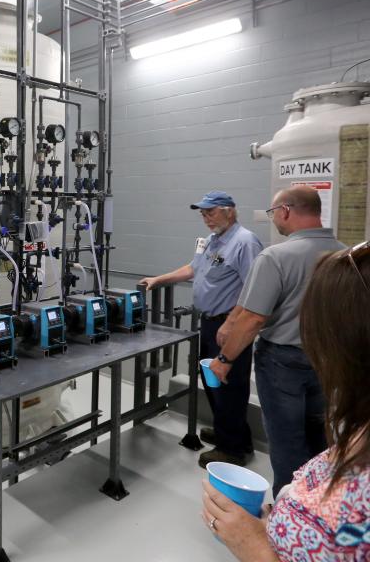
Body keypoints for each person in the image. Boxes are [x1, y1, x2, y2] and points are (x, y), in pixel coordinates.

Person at [201, 239, 370, 561]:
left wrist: (253, 546)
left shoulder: (264, 253)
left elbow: (252, 315)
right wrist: (282, 513)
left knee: (286, 435)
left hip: (274, 364)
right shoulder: (355, 427)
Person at [211, 185, 344, 497]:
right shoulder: (344, 253)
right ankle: (317, 505)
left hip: (282, 363)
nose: (273, 220)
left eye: (273, 213)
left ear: (285, 211)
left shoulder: (276, 256)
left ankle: (288, 516)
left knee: (287, 440)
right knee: (318, 435)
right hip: (328, 361)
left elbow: (254, 318)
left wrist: (225, 359)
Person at [140, 191, 263, 468]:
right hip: (209, 322)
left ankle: (231, 450)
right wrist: (159, 279)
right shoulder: (212, 241)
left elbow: (252, 289)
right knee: (212, 381)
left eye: (210, 212)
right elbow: (193, 269)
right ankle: (232, 436)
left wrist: (232, 323)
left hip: (229, 324)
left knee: (229, 384)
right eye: (203, 213)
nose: (205, 218)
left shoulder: (245, 242)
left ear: (229, 211)